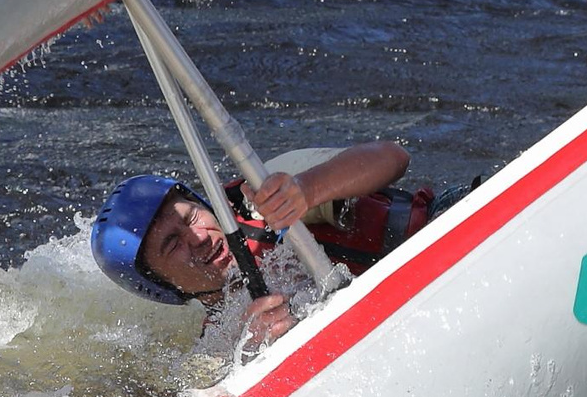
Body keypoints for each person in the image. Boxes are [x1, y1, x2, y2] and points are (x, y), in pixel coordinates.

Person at [91, 141, 464, 355]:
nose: (199, 237)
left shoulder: (265, 190)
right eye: (173, 245)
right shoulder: (222, 341)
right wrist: (262, 352)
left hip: (443, 230)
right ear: (158, 283)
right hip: (409, 324)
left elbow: (394, 157)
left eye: (191, 218)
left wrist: (307, 191)